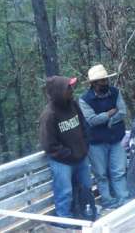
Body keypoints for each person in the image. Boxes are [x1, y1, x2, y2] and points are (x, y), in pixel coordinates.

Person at [39, 76, 93, 219]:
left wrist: (84, 146)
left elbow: (84, 126)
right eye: (68, 87)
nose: (71, 90)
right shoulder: (49, 115)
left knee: (86, 188)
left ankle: (88, 216)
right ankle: (65, 222)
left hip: (81, 157)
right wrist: (69, 153)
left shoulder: (73, 105)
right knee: (65, 193)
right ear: (59, 91)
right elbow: (49, 145)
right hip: (62, 162)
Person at [78, 64, 129, 209]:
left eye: (105, 80)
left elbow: (122, 111)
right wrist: (109, 114)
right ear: (93, 83)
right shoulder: (84, 99)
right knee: (100, 174)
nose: (105, 83)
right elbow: (92, 120)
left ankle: (123, 198)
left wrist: (108, 121)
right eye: (101, 81)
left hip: (116, 139)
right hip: (96, 142)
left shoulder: (115, 92)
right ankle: (107, 201)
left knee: (119, 171)